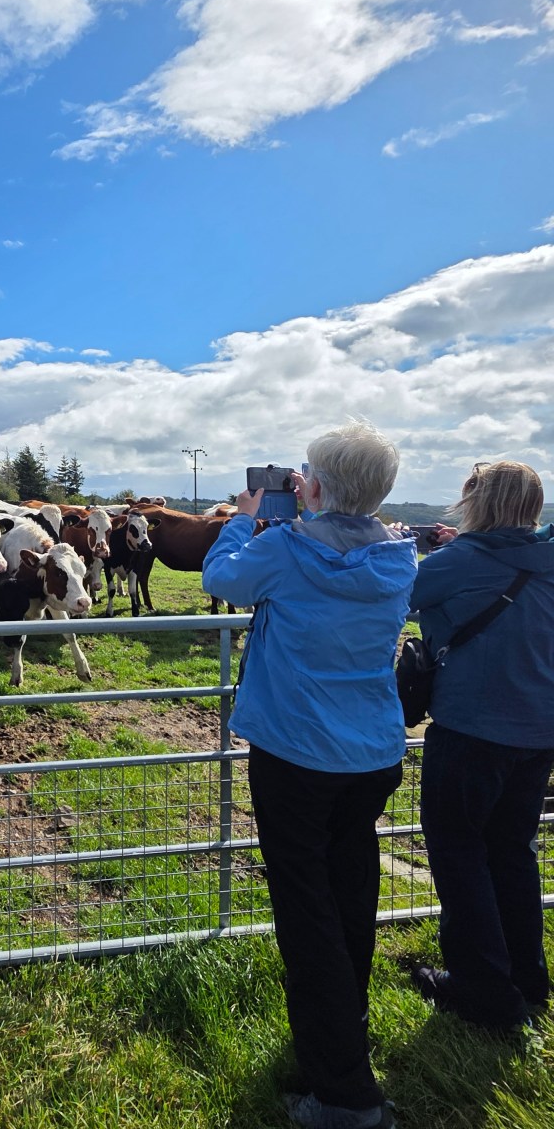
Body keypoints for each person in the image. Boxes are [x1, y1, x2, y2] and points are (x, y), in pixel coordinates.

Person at [203, 420, 416, 1129]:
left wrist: (243, 518)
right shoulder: (400, 558)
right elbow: (347, 531)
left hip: (296, 755)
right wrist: (312, 506)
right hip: (372, 756)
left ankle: (346, 1096)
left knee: (308, 914)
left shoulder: (287, 553)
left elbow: (219, 580)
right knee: (351, 889)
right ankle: (339, 1042)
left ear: (314, 487)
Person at [408, 461, 554, 1031]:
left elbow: (406, 593)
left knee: (459, 851)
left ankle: (482, 989)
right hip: (540, 733)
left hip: (473, 728)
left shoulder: (460, 561)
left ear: (477, 500)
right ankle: (528, 977)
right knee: (512, 850)